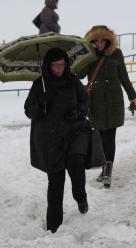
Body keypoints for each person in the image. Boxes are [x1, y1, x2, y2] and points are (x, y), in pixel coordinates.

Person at [24, 48, 90, 233]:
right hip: (51, 139)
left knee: (76, 164)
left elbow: (85, 101)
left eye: (62, 64)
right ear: (48, 66)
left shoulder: (73, 81)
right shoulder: (40, 85)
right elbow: (29, 111)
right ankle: (54, 225)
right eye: (55, 65)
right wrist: (40, 104)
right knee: (56, 181)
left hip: (74, 133)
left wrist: (79, 111)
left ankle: (80, 197)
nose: (60, 68)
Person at [82, 26, 136, 188]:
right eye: (96, 41)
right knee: (99, 136)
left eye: (102, 40)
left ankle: (107, 170)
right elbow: (79, 74)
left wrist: (132, 96)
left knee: (110, 137)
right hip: (96, 101)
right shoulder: (89, 55)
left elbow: (124, 77)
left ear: (108, 40)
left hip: (113, 100)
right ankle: (104, 167)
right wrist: (88, 55)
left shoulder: (116, 54)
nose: (99, 44)